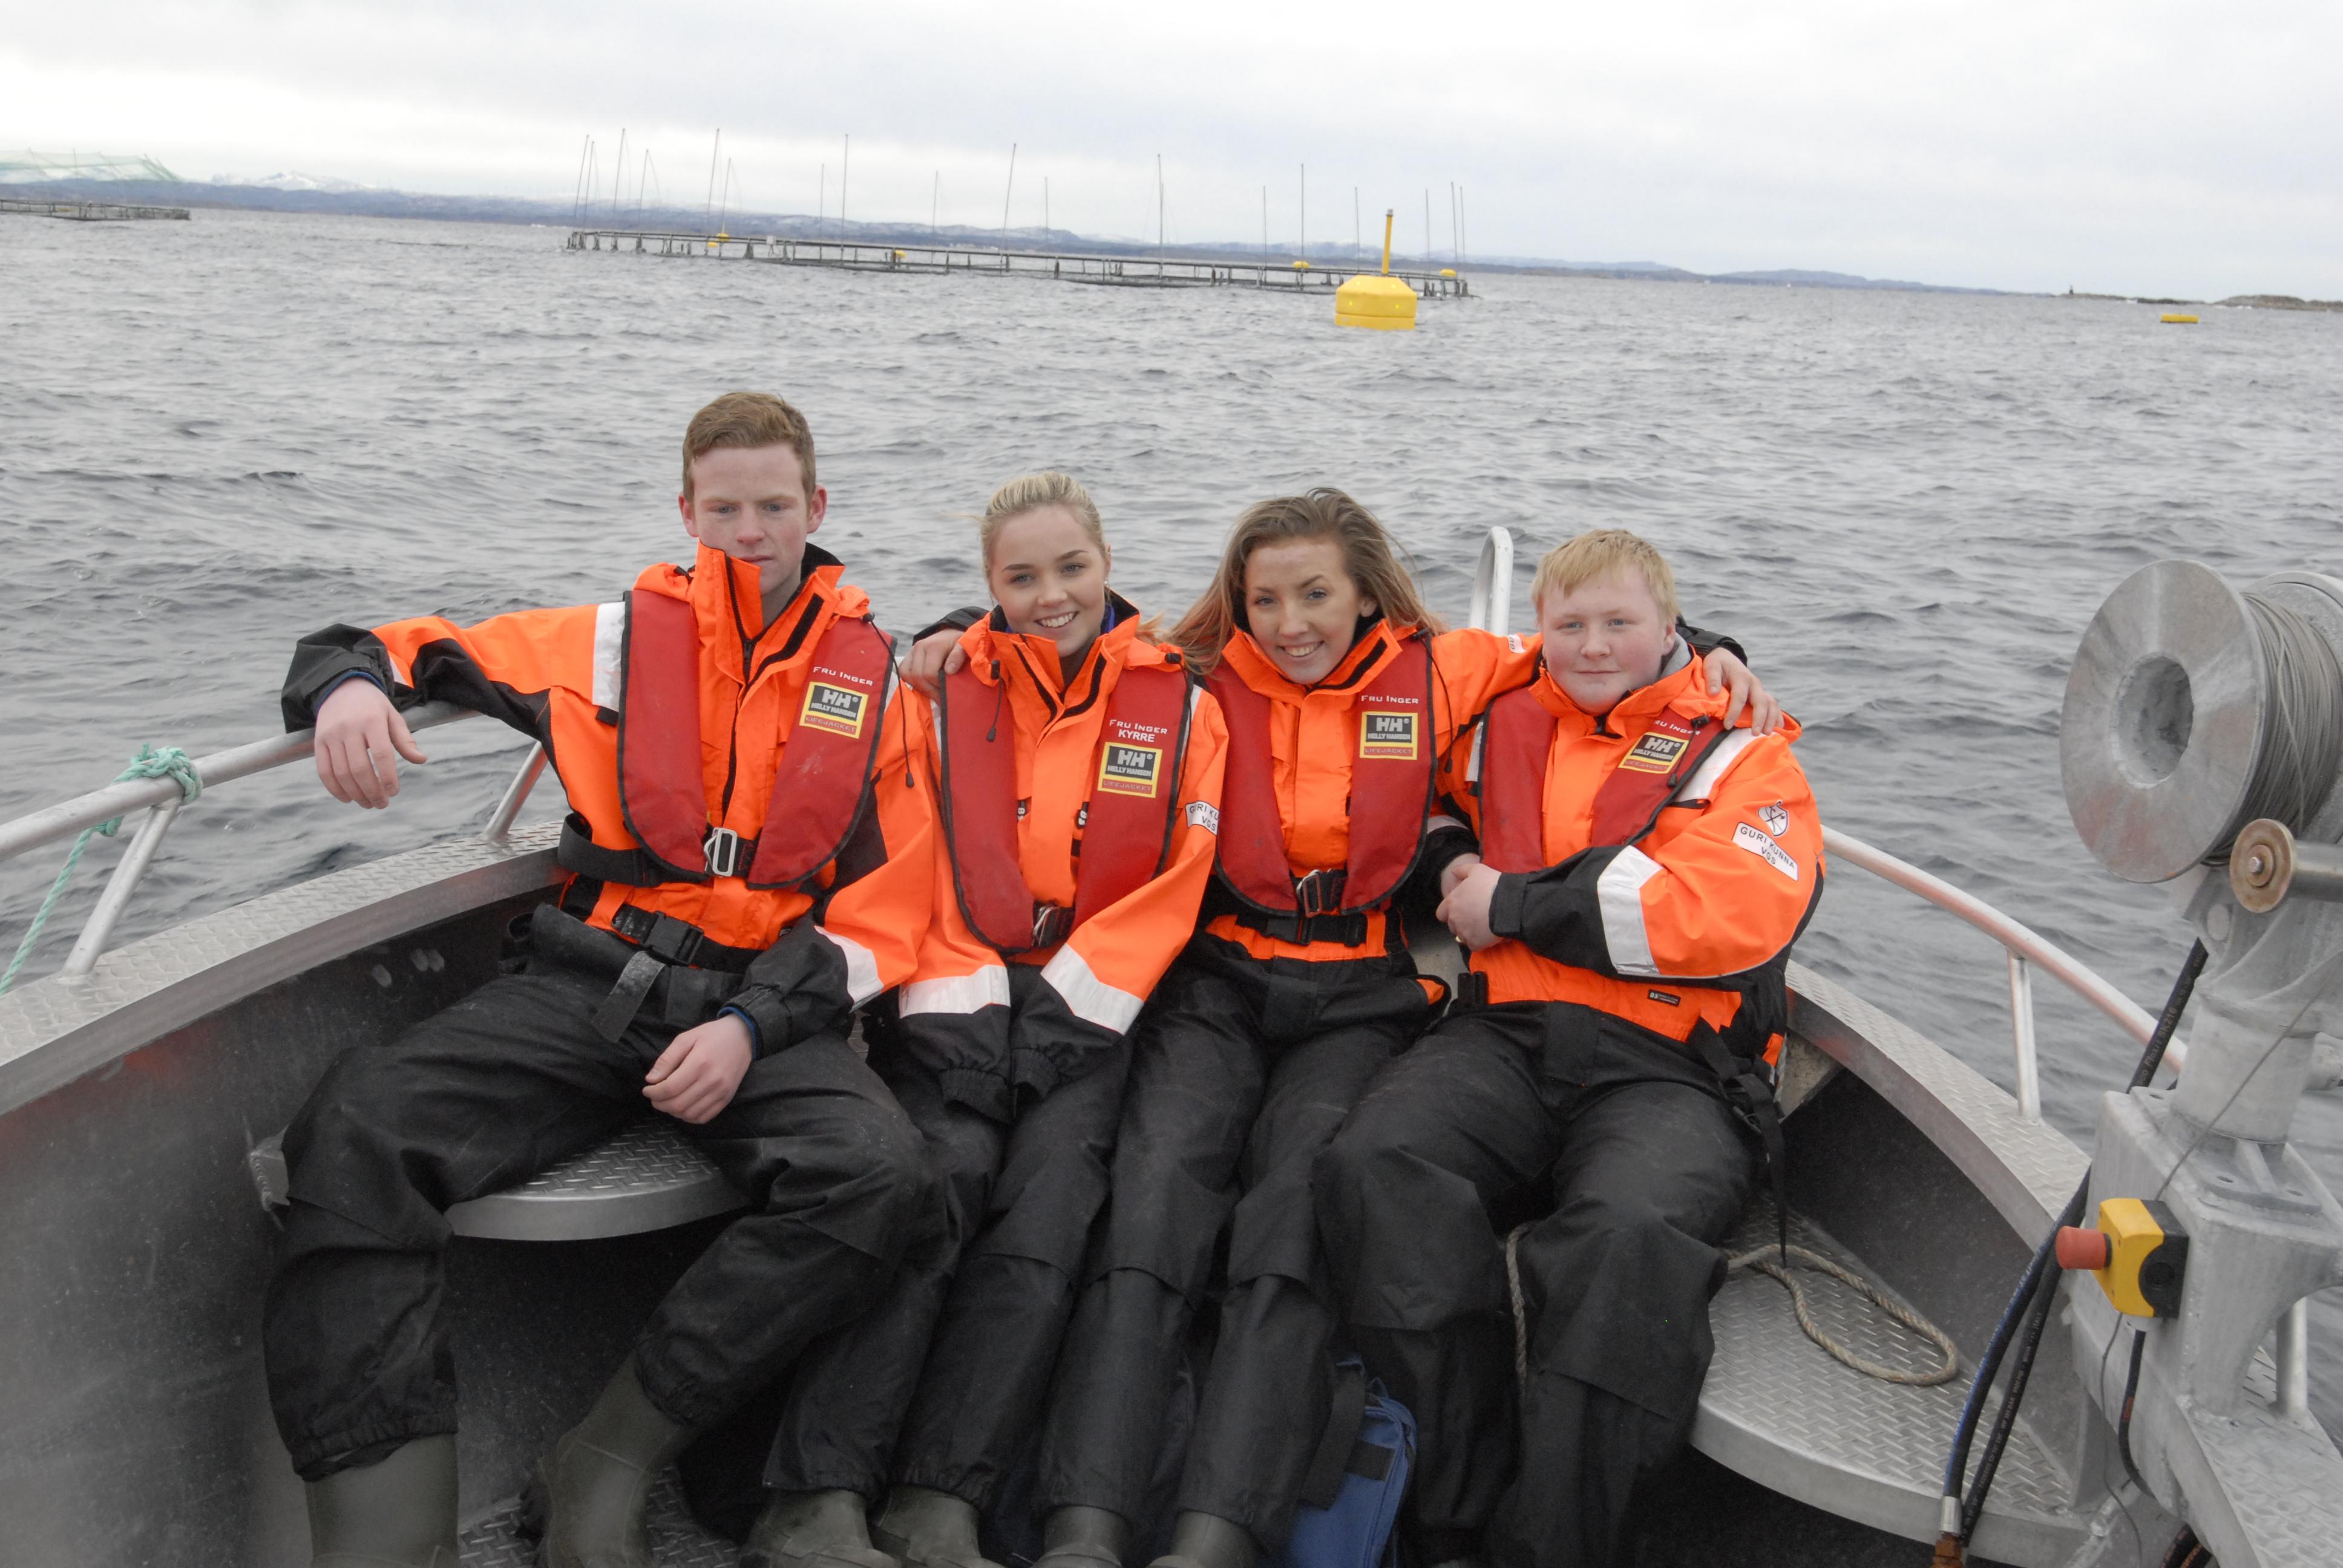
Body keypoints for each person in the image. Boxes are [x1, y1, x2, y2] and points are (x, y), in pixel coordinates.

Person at [897, 495, 1776, 1568]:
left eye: (1316, 594)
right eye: (1264, 599)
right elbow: (1068, 635)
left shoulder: (1451, 669)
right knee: (1152, 1204)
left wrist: (1716, 652)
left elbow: (1591, 651)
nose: (1290, 622)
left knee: (1295, 1223)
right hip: (1215, 983)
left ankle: (1216, 1537)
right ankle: (1086, 1524)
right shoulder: (1197, 672)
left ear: (1367, 591)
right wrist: (951, 629)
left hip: (1362, 991)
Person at [265, 392, 942, 1568]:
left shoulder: (880, 688)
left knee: (880, 1177)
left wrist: (747, 1023)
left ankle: (606, 1462)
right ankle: (389, 1548)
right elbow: (404, 645)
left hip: (763, 1012)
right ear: (687, 509)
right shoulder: (607, 641)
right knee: (361, 1127)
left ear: (816, 508)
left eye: (772, 505)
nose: (746, 528)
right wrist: (346, 686)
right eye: (722, 506)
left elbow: (894, 911)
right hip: (584, 985)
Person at [1314, 528, 1823, 1568]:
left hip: (1674, 1067)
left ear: (1670, 627)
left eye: (1620, 624)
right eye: (1570, 625)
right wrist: (1457, 864)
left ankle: (1553, 1545)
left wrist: (1513, 902)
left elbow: (1719, 915)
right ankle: (1453, 1514)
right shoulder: (1498, 722)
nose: (1593, 647)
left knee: (1625, 1238)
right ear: (1534, 632)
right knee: (1375, 1168)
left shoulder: (1745, 749)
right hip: (1504, 1036)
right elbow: (1425, 815)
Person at [755, 472, 1229, 1568]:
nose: (1050, 595)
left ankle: (940, 1498)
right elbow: (919, 865)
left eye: (1071, 569)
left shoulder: (1184, 709)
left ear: (1107, 566)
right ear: (988, 588)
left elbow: (1174, 883)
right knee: (934, 1184)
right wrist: (965, 1018)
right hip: (956, 1003)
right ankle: (813, 1494)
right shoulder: (939, 692)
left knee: (1049, 1217)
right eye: (1021, 577)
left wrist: (1060, 1026)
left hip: (1090, 1017)